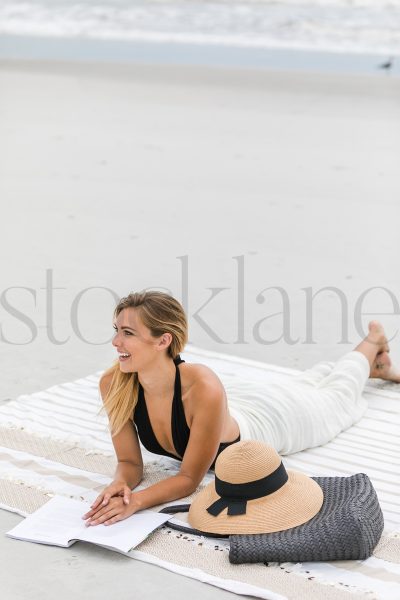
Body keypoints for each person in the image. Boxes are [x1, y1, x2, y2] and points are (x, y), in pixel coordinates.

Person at [81, 290, 399, 528]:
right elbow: (128, 462)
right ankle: (373, 366)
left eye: (127, 333)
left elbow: (189, 478)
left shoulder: (201, 385)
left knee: (337, 399)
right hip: (240, 403)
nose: (115, 342)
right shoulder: (114, 383)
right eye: (116, 330)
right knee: (305, 384)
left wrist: (135, 501)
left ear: (163, 341)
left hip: (271, 424)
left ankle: (371, 345)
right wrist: (120, 484)